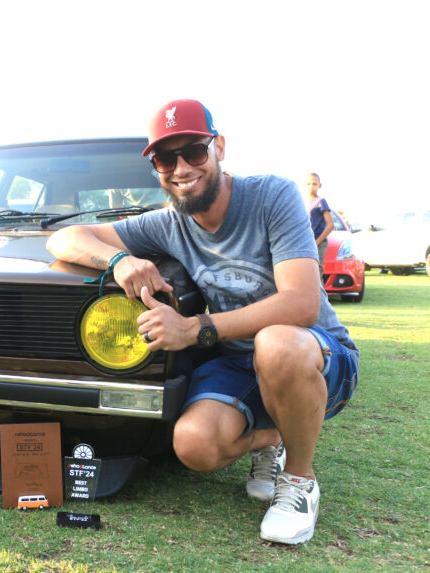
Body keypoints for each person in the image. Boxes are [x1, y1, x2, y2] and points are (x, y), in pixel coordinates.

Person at [46, 99, 359, 545]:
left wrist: (194, 328)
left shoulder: (273, 195)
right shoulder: (167, 223)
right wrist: (118, 260)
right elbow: (64, 237)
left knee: (276, 344)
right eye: (164, 157)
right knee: (192, 445)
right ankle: (273, 436)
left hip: (318, 351)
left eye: (193, 150)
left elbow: (302, 303)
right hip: (239, 363)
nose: (180, 167)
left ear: (219, 148)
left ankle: (299, 480)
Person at [306, 173, 334, 279]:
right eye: (308, 184)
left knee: (316, 273)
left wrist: (317, 242)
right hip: (305, 243)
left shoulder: (321, 202)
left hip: (319, 243)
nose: (311, 187)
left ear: (319, 186)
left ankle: (320, 296)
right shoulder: (302, 202)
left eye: (314, 184)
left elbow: (330, 225)